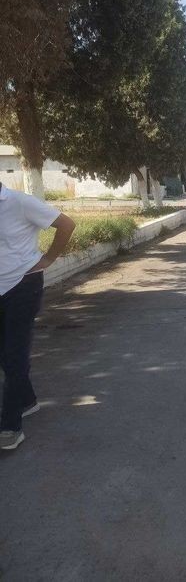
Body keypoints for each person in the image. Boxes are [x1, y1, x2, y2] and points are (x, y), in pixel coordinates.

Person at [0, 182, 75, 450]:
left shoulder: (20, 202)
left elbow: (66, 224)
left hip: (23, 284)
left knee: (14, 354)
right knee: (4, 354)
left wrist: (48, 259)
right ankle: (27, 401)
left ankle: (10, 426)